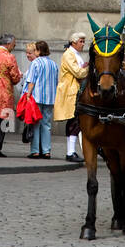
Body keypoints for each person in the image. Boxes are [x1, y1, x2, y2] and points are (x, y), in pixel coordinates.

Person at [56, 31, 89, 163]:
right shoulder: (69, 54)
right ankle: (70, 152)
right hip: (71, 91)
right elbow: (78, 72)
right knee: (73, 121)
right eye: (81, 41)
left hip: (76, 90)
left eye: (83, 41)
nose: (83, 44)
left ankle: (72, 151)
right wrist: (88, 68)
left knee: (76, 122)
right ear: (73, 42)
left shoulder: (75, 54)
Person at [23, 40, 58, 159]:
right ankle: (46, 150)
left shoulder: (36, 63)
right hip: (50, 98)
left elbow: (32, 81)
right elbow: (56, 80)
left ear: (38, 51)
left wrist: (28, 94)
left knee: (35, 123)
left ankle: (35, 151)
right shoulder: (53, 64)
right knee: (46, 125)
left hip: (37, 97)